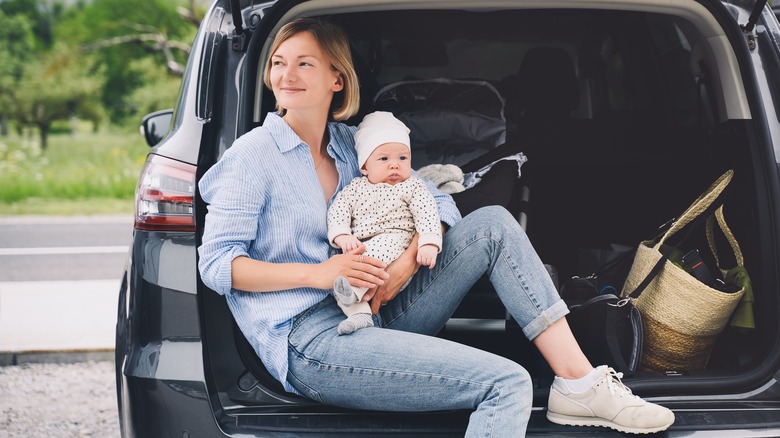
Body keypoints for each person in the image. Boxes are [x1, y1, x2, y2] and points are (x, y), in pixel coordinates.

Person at [197, 17, 675, 437]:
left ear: (336, 79)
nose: (285, 74)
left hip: (382, 304)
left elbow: (436, 198)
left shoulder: (351, 143)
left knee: (492, 224)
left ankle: (580, 383)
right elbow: (216, 264)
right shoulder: (253, 155)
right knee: (508, 383)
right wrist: (317, 274)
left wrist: (407, 262)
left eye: (304, 63)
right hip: (311, 339)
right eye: (279, 62)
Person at [328, 111, 442, 335]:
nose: (394, 166)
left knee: (367, 264)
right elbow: (337, 211)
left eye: (402, 158)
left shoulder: (412, 186)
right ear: (364, 167)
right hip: (361, 245)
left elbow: (428, 213)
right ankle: (360, 315)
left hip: (396, 240)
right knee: (339, 269)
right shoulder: (354, 189)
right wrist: (343, 236)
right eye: (384, 159)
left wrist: (428, 243)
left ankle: (354, 292)